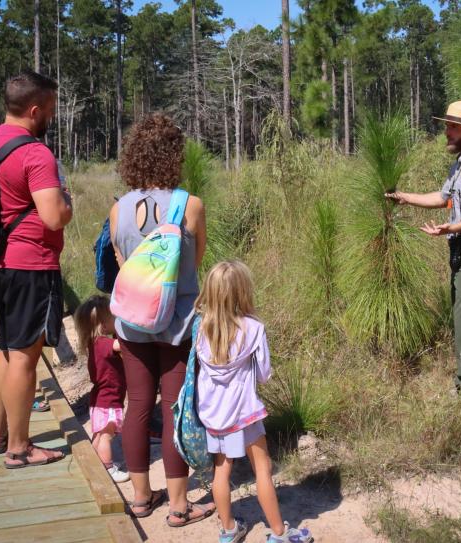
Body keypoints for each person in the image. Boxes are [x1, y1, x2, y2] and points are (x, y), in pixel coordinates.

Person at [108, 113, 213, 524]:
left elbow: (122, 265)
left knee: (137, 404)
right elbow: (194, 263)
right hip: (177, 322)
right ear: (175, 157)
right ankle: (178, 505)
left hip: (132, 322)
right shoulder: (191, 206)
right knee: (174, 407)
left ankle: (139, 497)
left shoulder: (119, 209)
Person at [0, 71, 72, 467]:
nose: (51, 116)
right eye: (50, 110)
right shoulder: (36, 153)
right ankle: (20, 448)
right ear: (34, 110)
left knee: (6, 347)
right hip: (30, 263)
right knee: (25, 356)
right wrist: (67, 201)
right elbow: (53, 217)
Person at [386, 100, 461, 391]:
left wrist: (455, 227)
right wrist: (404, 197)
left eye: (453, 127)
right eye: (447, 126)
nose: (447, 132)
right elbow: (442, 197)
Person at [195, 260, 314, 543]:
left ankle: (228, 530)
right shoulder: (253, 328)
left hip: (214, 414)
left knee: (221, 470)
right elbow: (263, 375)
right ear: (242, 292)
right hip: (244, 413)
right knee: (263, 468)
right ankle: (279, 533)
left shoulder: (201, 328)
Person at [74, 295, 129, 483]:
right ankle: (108, 468)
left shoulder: (93, 343)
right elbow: (120, 345)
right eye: (114, 317)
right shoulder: (104, 343)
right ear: (104, 325)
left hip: (100, 398)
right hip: (109, 398)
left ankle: (94, 462)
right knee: (107, 434)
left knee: (99, 433)